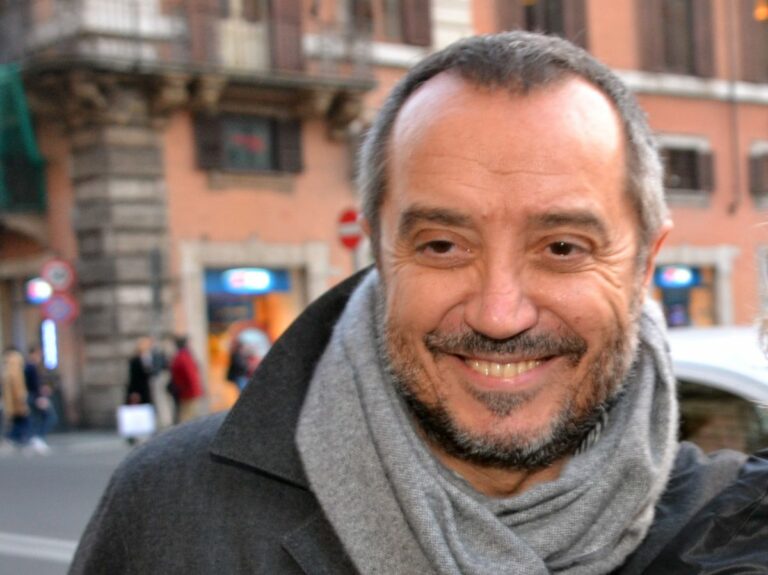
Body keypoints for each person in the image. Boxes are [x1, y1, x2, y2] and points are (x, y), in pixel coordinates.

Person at [68, 32, 767, 574]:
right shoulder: (172, 510)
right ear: (377, 248)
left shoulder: (741, 534)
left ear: (645, 264)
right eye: (442, 245)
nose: (499, 313)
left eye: (561, 247)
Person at [25, 345, 56, 454]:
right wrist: (40, 395)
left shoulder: (30, 367)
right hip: (36, 396)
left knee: (35, 418)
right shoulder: (31, 367)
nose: (40, 357)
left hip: (32, 396)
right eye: (39, 354)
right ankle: (38, 438)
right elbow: (34, 385)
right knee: (49, 417)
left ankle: (34, 439)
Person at [169, 335, 204, 423]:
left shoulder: (180, 356)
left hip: (187, 392)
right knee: (188, 418)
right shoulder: (184, 357)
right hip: (188, 393)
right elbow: (191, 376)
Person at [1, 347, 30, 451]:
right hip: (17, 401)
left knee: (16, 420)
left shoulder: (6, 369)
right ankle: (16, 439)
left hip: (10, 401)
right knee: (23, 420)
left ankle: (13, 438)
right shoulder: (15, 368)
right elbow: (18, 386)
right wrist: (22, 397)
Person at [125, 337, 154, 407]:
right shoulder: (135, 360)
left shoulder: (148, 358)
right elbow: (133, 378)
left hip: (146, 390)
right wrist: (134, 392)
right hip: (138, 391)